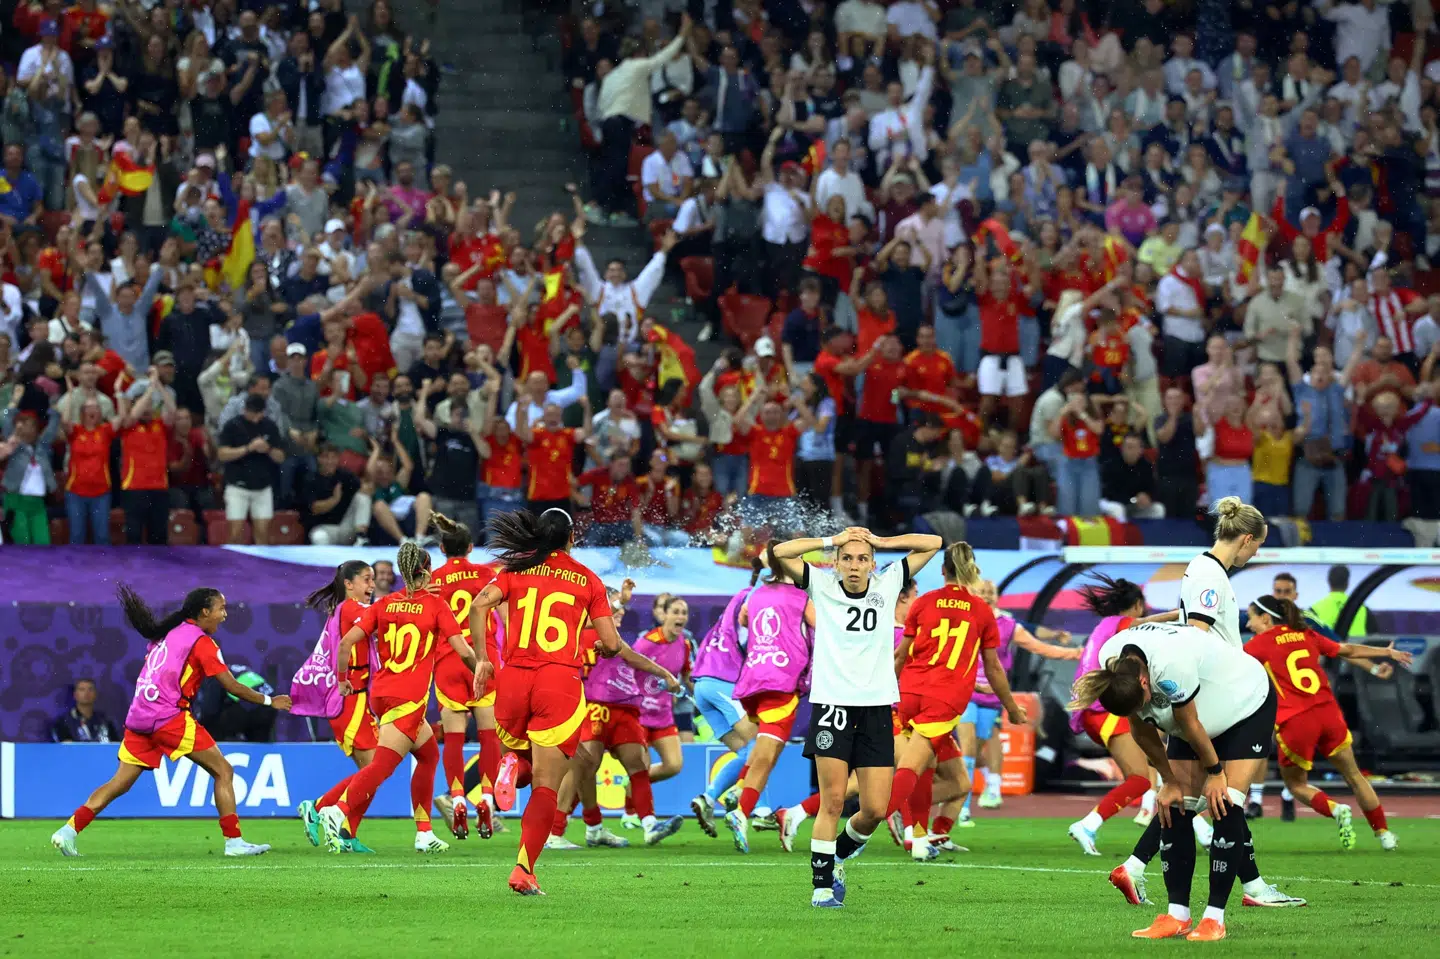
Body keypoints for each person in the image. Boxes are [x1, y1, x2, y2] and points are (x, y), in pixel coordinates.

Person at [1072, 617, 1304, 942]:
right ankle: (1176, 915)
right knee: (1175, 807)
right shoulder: (1113, 663)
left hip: (1244, 703)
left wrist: (1215, 773)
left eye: (1143, 701)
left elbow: (1190, 722)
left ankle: (1214, 919)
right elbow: (1141, 727)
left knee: (1225, 802)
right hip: (1196, 707)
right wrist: (1168, 781)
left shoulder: (1169, 665)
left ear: (1143, 682)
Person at [767, 526, 942, 908]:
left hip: (876, 708)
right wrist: (833, 541)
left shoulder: (889, 580)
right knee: (831, 801)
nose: (854, 565)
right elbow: (781, 551)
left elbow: (934, 543)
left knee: (875, 810)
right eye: (847, 558)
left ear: (872, 564)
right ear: (837, 562)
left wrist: (880, 541)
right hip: (832, 706)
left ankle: (838, 857)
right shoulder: (822, 584)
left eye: (862, 559)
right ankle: (821, 888)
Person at [51, 585, 289, 857]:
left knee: (119, 783)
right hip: (168, 717)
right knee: (223, 770)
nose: (224, 615)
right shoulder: (202, 642)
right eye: (221, 608)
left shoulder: (166, 635)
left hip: (139, 717)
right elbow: (232, 686)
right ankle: (234, 842)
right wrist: (270, 701)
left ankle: (68, 831)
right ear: (204, 612)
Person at [467, 508, 624, 896]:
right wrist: (604, 648)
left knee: (523, 762)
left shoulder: (515, 571)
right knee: (546, 785)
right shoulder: (587, 580)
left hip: (514, 678)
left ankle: (508, 768)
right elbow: (613, 643)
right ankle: (523, 869)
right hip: (558, 681)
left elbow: (477, 606)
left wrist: (484, 659)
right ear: (572, 538)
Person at [315, 543, 475, 855]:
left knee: (428, 756)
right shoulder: (436, 605)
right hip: (409, 697)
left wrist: (343, 679)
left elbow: (346, 642)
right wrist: (481, 670)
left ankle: (424, 832)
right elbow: (463, 649)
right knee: (382, 766)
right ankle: (337, 811)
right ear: (426, 569)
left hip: (381, 691)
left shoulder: (384, 603)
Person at [887, 545, 1026, 862]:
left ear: (942, 571)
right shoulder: (980, 610)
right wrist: (1013, 707)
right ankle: (862, 826)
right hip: (942, 698)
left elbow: (901, 656)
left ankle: (922, 837)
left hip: (909, 694)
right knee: (911, 767)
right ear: (970, 570)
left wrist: (886, 695)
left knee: (955, 779)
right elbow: (993, 668)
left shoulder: (923, 602)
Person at [1242, 596, 1406, 851]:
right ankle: (1384, 834)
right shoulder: (1305, 634)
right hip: (1328, 714)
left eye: (1251, 617)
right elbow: (1347, 650)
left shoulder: (1257, 645)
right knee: (1354, 776)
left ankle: (1336, 808)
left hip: (1296, 721)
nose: (1249, 624)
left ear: (1265, 618)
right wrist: (1386, 651)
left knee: (1296, 784)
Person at [573, 584, 685, 849]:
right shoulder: (585, 630)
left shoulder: (613, 635)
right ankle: (580, 827)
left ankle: (649, 825)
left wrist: (665, 675)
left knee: (638, 764)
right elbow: (627, 653)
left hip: (625, 708)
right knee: (584, 769)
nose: (620, 612)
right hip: (595, 707)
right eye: (614, 607)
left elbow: (631, 657)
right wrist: (616, 602)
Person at [723, 545, 814, 854]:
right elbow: (824, 627)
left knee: (768, 748)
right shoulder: (802, 597)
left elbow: (746, 619)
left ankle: (738, 788)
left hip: (754, 677)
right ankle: (741, 811)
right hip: (782, 679)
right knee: (767, 752)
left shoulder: (757, 593)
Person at [425, 513, 503, 843]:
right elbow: (505, 615)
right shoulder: (488, 575)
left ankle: (457, 798)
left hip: (448, 660)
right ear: (471, 547)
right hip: (484, 659)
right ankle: (486, 798)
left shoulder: (435, 580)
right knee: (489, 736)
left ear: (442, 548)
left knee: (454, 738)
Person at [295, 562, 377, 852]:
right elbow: (383, 618)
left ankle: (345, 831)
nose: (372, 585)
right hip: (350, 699)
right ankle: (320, 808)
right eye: (367, 579)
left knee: (372, 774)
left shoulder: (347, 610)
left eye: (374, 579)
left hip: (359, 698)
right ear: (349, 584)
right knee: (372, 770)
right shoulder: (353, 608)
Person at [688, 579, 761, 837]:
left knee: (745, 752)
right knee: (760, 742)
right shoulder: (752, 600)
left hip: (703, 688)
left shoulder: (725, 617)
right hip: (722, 683)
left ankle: (708, 798)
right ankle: (753, 804)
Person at [1179, 497, 1267, 649]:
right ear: (1247, 539)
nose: (1255, 553)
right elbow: (1196, 637)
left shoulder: (1206, 567)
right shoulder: (1210, 574)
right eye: (1258, 545)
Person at [50, 678, 120, 743]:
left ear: (95, 694)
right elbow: (64, 747)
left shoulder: (105, 720)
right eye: (82, 689)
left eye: (90, 689)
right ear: (75, 695)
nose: (87, 693)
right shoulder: (64, 722)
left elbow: (115, 744)